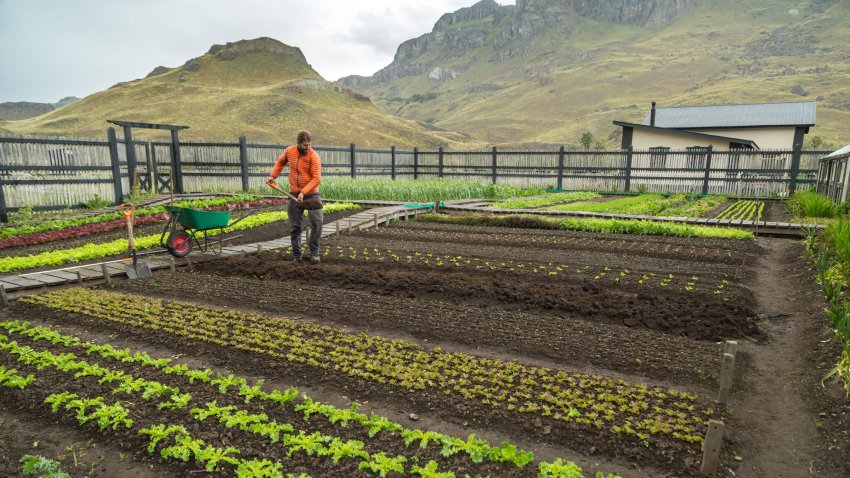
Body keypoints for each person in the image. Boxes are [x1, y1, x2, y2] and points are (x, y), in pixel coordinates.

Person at [266, 131, 323, 263]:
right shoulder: (289, 151)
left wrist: (304, 192)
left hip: (311, 194)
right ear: (298, 144)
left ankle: (315, 252)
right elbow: (280, 162)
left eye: (309, 145)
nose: (307, 147)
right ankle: (297, 256)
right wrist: (272, 176)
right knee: (295, 226)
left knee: (317, 222)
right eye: (304, 145)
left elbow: (316, 179)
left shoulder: (314, 157)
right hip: (294, 194)